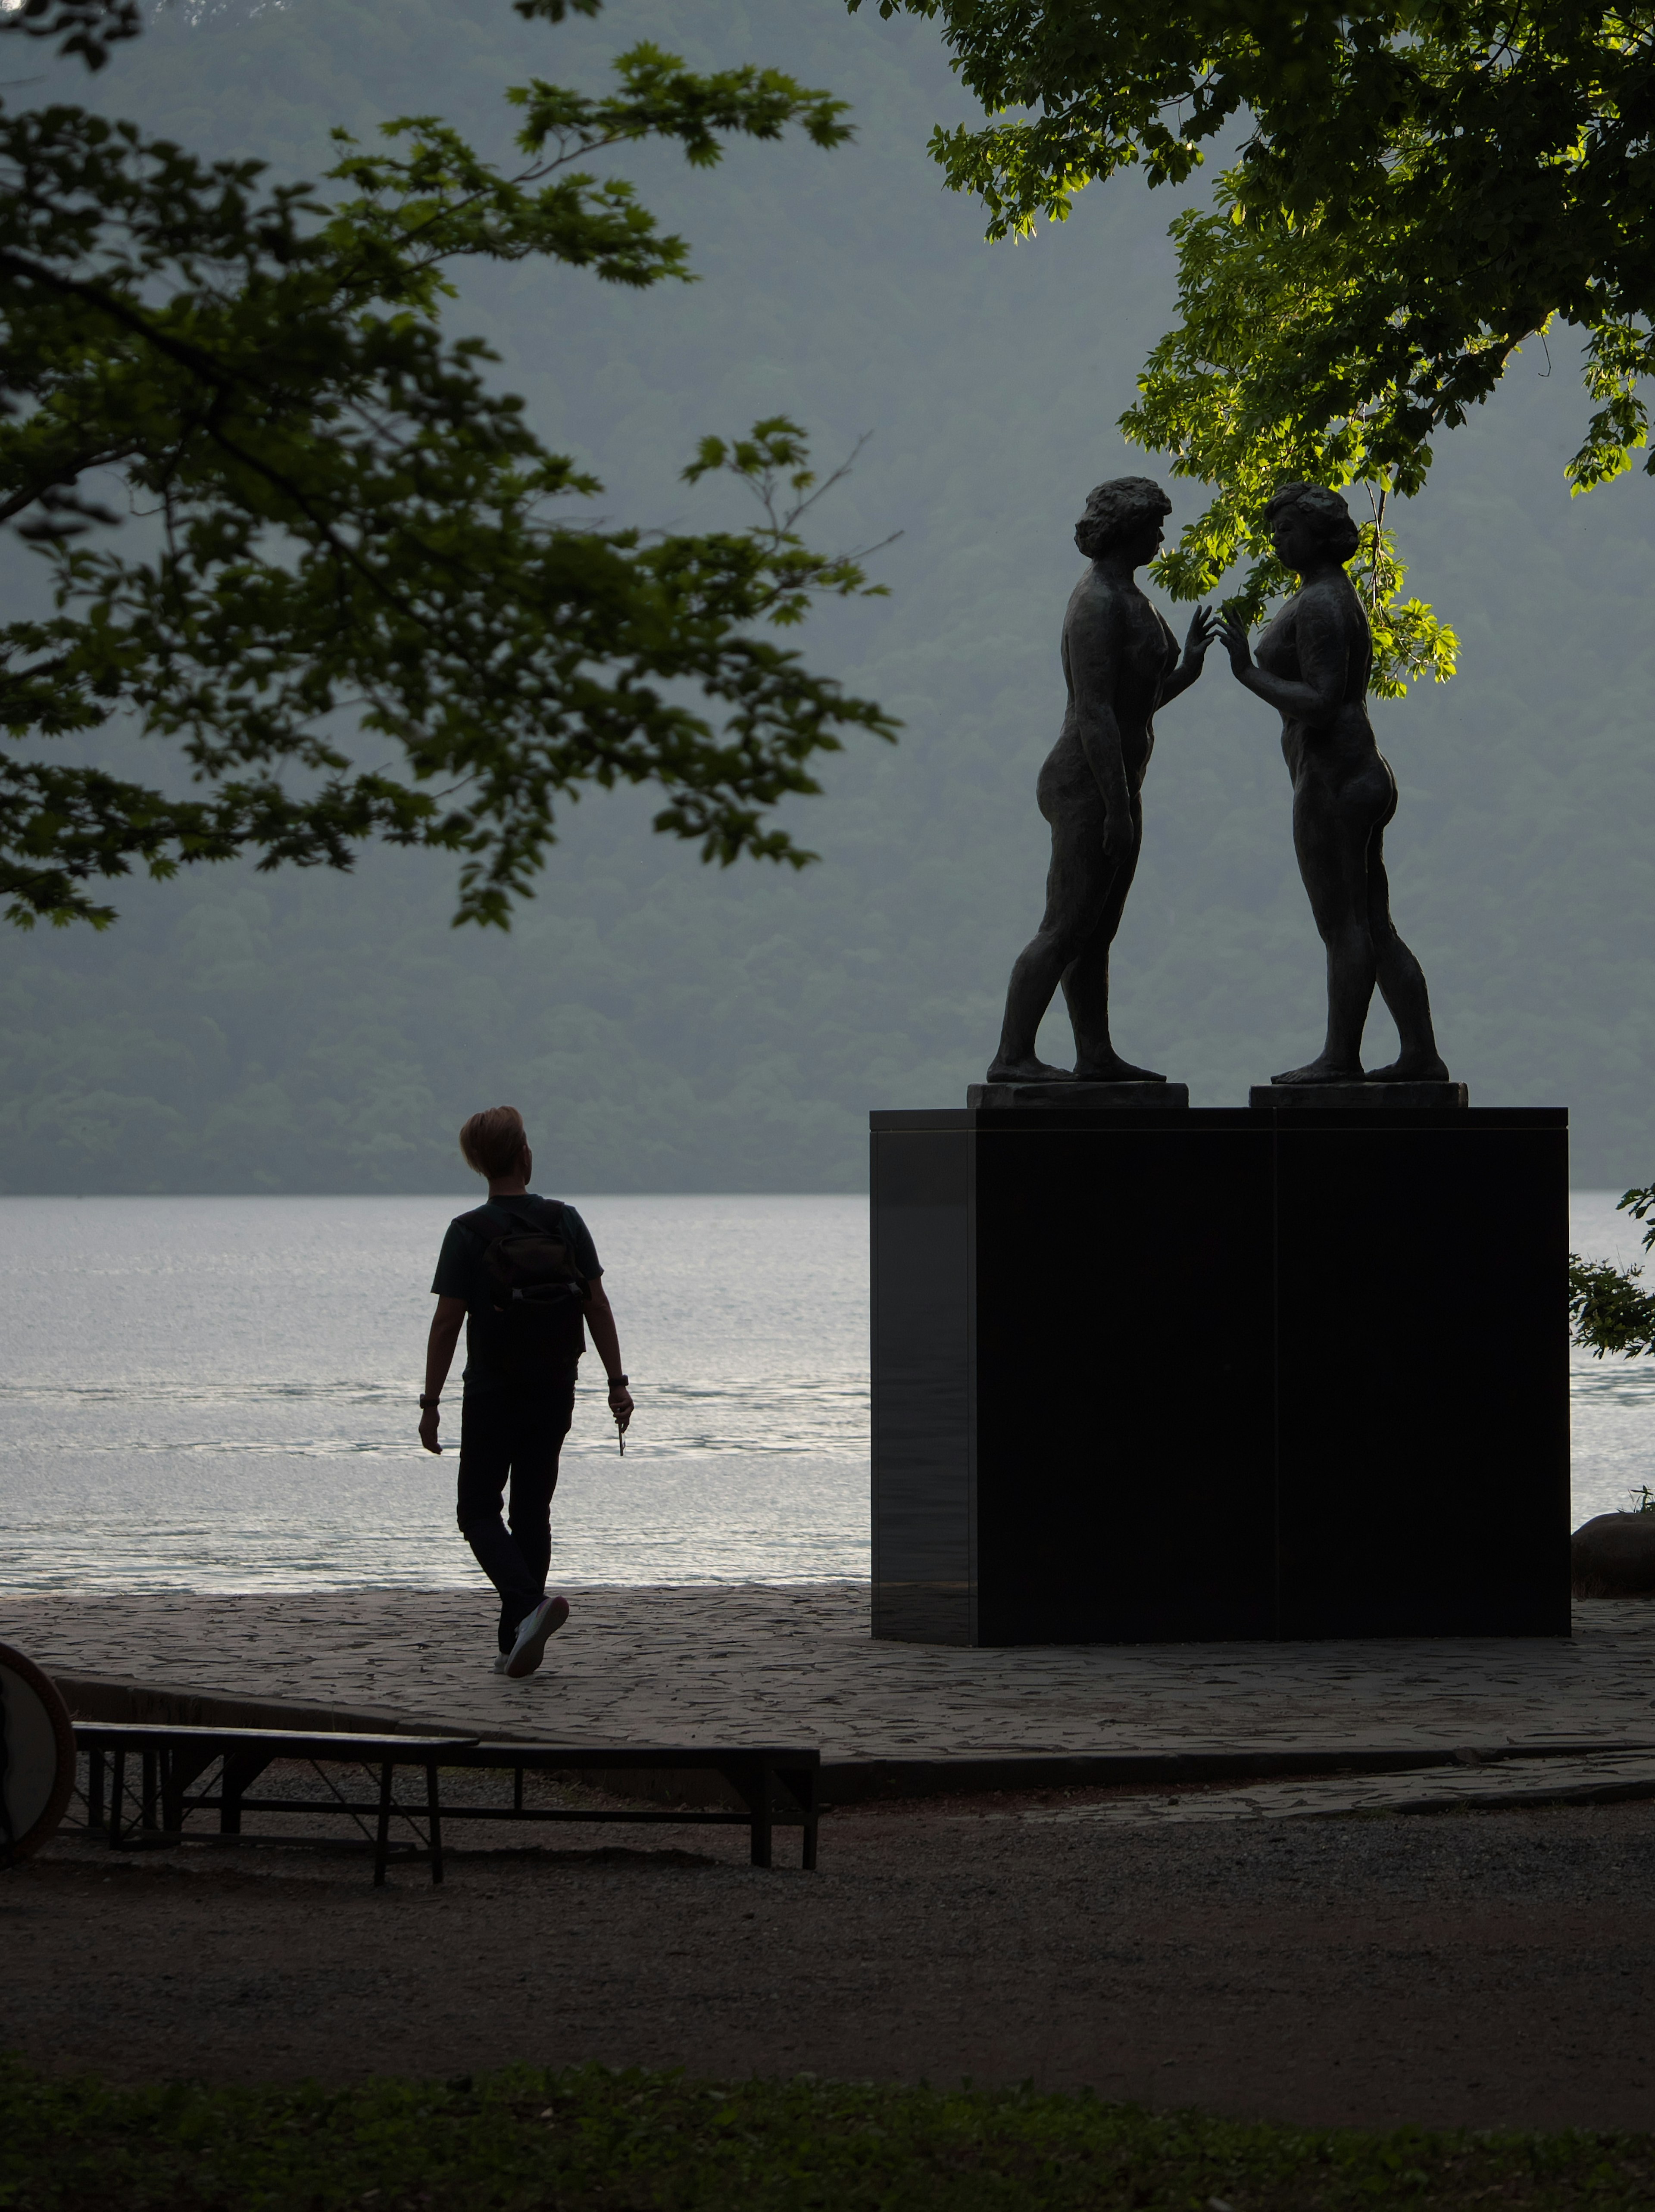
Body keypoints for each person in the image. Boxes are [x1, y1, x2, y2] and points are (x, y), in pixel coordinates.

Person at [1217, 482, 1451, 1085]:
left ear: (1319, 535)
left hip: (1335, 777)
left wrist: (1244, 671)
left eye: (1287, 529)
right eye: (1274, 529)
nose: (1276, 539)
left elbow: (1321, 702)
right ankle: (1420, 1054)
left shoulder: (1323, 602)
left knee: (1342, 924)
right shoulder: (1324, 596)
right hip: (1351, 772)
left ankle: (1340, 1058)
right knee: (1372, 922)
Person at [987, 475, 1216, 1084]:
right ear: (1128, 527)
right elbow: (1094, 712)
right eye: (1154, 524)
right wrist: (1115, 806)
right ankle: (1012, 1056)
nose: (1162, 535)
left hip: (1119, 782)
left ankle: (1095, 1054)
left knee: (1096, 931)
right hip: (1087, 782)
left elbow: (1137, 703)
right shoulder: (1097, 603)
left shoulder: (1129, 596)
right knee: (1066, 923)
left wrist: (1189, 668)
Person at [419, 1106, 633, 1677]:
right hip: (555, 1385)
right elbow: (597, 1305)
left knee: (477, 1510)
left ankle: (528, 1609)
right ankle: (518, 1636)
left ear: (480, 1165)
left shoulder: (468, 1231)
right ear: (524, 1157)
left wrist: (430, 1403)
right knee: (532, 1508)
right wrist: (617, 1381)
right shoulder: (565, 1221)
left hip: (492, 1388)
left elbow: (446, 1323)